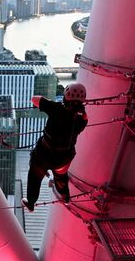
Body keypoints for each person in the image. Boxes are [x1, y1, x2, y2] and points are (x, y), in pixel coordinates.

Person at [21, 83, 89, 212]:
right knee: (61, 178)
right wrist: (82, 112)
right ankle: (65, 197)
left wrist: (51, 103)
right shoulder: (79, 120)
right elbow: (85, 119)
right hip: (63, 158)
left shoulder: (56, 108)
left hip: (43, 154)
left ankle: (31, 202)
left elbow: (34, 99)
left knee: (35, 177)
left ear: (65, 98)